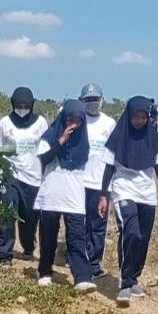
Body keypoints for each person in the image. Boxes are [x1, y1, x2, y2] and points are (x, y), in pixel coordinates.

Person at [99, 96, 158, 307]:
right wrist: (103, 195)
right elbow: (108, 168)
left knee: (143, 238)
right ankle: (125, 282)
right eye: (136, 117)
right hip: (123, 189)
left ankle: (134, 277)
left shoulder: (154, 138)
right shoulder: (118, 137)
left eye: (144, 117)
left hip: (146, 193)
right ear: (129, 115)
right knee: (130, 231)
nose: (140, 121)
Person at [34, 100, 97, 294]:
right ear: (64, 118)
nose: (74, 125)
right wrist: (60, 141)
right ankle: (45, 271)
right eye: (70, 120)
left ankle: (82, 277)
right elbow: (43, 158)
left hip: (74, 194)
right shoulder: (49, 137)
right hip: (52, 192)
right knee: (49, 234)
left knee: (77, 235)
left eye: (78, 121)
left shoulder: (84, 142)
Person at [0, 87, 48, 267]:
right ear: (13, 104)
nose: (22, 108)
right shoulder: (5, 123)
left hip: (33, 176)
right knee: (7, 214)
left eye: (26, 105)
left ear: (31, 105)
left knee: (30, 218)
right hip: (9, 175)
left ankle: (28, 246)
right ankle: (4, 255)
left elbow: (45, 149)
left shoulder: (40, 123)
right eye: (19, 105)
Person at [79, 83, 116, 278]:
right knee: (79, 222)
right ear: (82, 101)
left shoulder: (109, 124)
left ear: (102, 99)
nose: (92, 103)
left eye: (95, 99)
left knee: (98, 225)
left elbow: (115, 153)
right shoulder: (77, 120)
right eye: (88, 100)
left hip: (101, 182)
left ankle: (94, 263)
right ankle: (78, 257)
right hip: (78, 181)